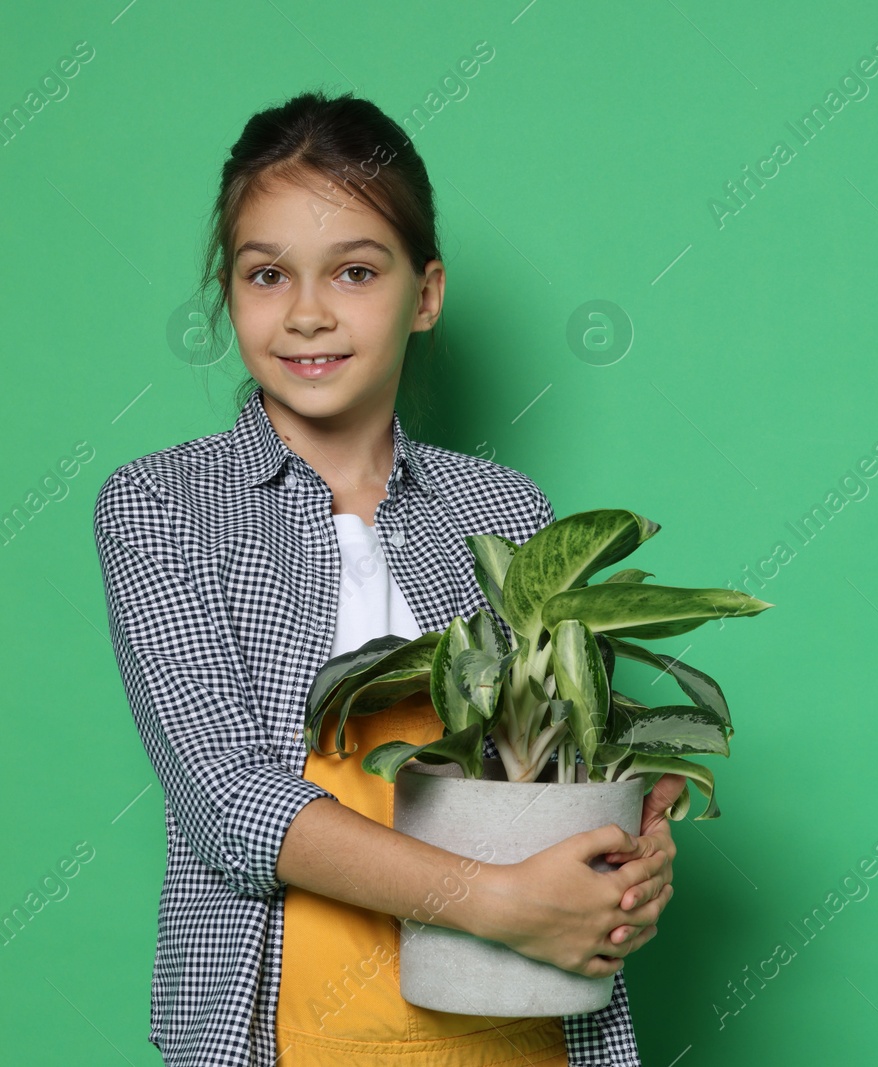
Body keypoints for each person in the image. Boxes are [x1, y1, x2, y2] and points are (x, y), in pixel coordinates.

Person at [91, 89, 683, 1067]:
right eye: (267, 273)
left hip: (518, 1024)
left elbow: (565, 763)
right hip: (287, 1030)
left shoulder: (503, 509)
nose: (309, 312)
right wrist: (496, 901)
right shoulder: (161, 503)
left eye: (356, 270)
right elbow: (226, 798)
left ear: (426, 291)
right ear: (229, 292)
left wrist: (634, 859)